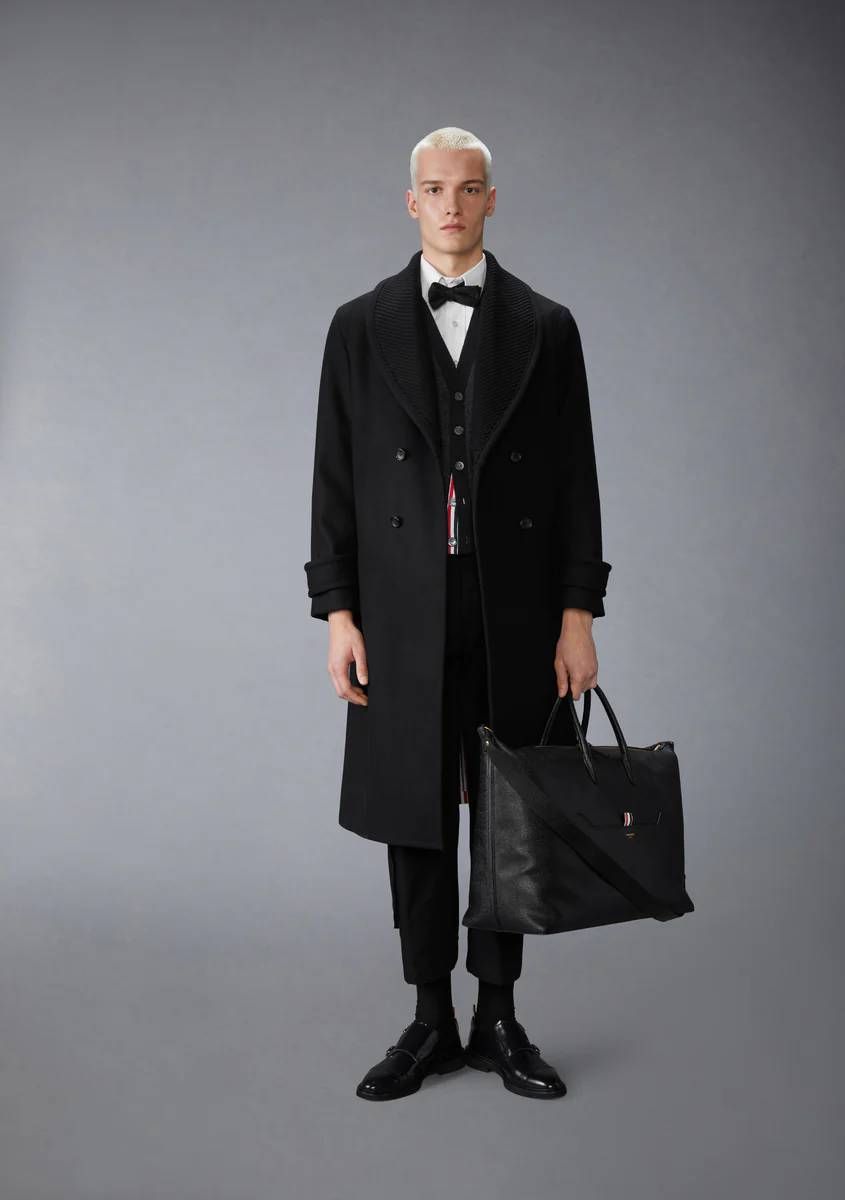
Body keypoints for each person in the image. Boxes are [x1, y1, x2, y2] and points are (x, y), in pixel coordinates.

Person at [304, 126, 611, 1101]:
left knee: (512, 812)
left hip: (513, 608)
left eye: (468, 189)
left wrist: (578, 613)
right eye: (434, 189)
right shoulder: (358, 327)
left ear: (490, 200)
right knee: (417, 811)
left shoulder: (547, 326)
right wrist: (337, 611)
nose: (450, 205)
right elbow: (333, 477)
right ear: (411, 201)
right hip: (399, 612)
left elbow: (576, 479)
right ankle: (430, 1019)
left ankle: (499, 1017)